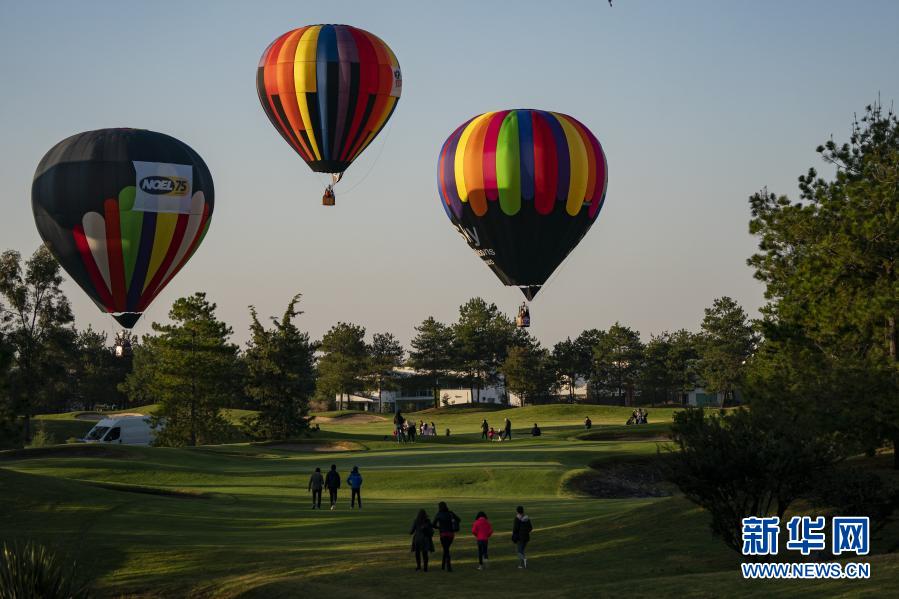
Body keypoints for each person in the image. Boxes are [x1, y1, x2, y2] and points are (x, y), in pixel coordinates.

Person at [432, 501, 461, 572]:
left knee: (446, 549)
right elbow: (459, 520)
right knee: (446, 549)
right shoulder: (450, 513)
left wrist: (439, 527)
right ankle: (443, 565)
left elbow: (433, 524)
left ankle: (448, 566)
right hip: (451, 534)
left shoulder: (439, 514)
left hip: (443, 534)